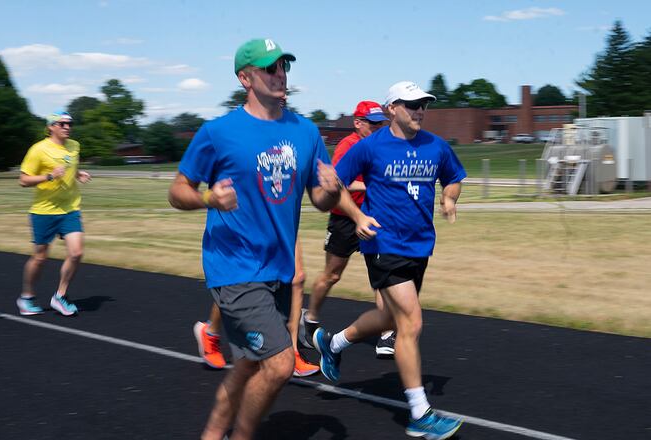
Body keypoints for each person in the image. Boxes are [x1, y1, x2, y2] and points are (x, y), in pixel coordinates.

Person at [169, 38, 341, 440]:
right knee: (280, 365)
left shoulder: (307, 132)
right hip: (234, 266)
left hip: (278, 267)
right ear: (245, 78)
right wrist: (208, 198)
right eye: (270, 68)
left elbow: (319, 199)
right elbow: (178, 190)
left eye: (284, 67)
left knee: (248, 365)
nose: (280, 74)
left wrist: (331, 191)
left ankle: (213, 432)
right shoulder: (219, 133)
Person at [312, 81, 466, 439]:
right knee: (410, 323)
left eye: (423, 105)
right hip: (384, 243)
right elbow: (335, 187)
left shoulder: (436, 146)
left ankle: (332, 344)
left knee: (388, 316)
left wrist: (449, 197)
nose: (420, 111)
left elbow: (455, 177)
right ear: (392, 108)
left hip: (420, 245)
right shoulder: (369, 148)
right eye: (412, 104)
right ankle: (420, 413)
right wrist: (358, 216)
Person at [300, 101, 397, 357]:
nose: (378, 127)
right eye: (372, 122)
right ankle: (310, 319)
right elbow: (339, 181)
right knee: (332, 275)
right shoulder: (348, 146)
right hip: (344, 219)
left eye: (380, 123)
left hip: (372, 219)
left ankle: (387, 335)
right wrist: (371, 187)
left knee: (382, 279)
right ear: (358, 122)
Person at [193, 240, 320, 377]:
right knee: (244, 279)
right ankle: (211, 332)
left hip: (283, 219)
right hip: (251, 222)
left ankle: (293, 352)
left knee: (297, 278)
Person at [16, 110, 91, 316]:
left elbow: (70, 165)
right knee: (40, 258)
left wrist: (77, 173)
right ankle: (27, 297)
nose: (67, 127)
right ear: (51, 127)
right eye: (62, 124)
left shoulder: (74, 146)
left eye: (70, 124)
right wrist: (49, 176)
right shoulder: (38, 150)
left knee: (76, 252)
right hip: (44, 211)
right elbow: (23, 180)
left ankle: (60, 296)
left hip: (70, 209)